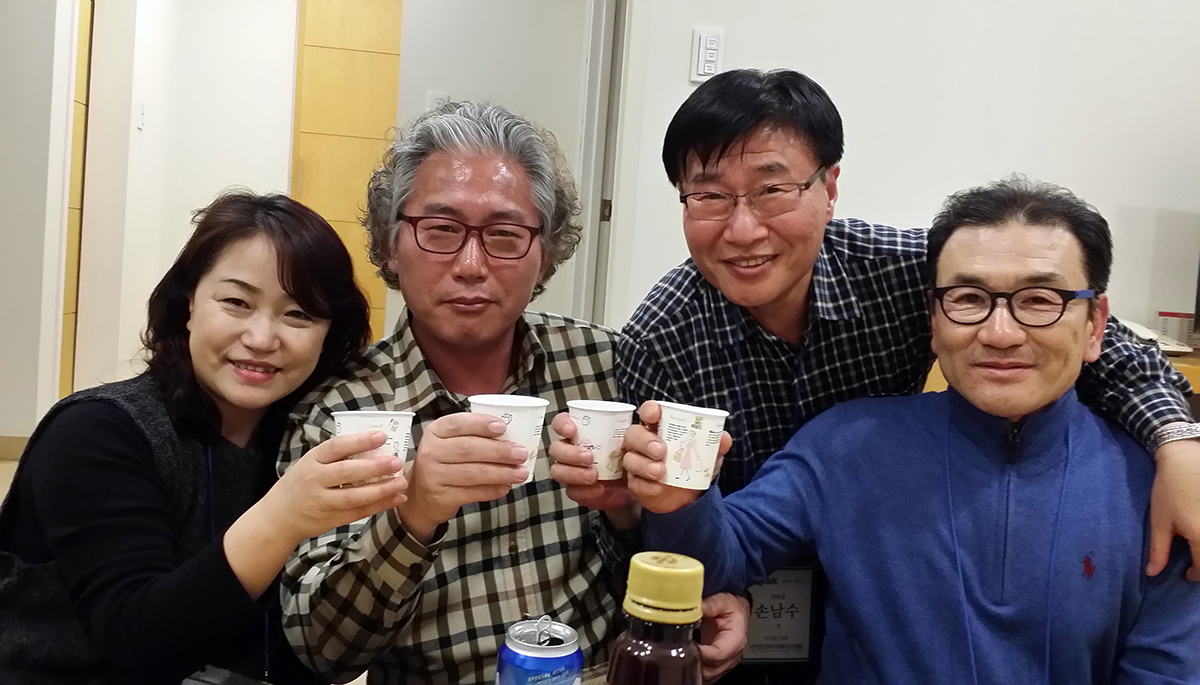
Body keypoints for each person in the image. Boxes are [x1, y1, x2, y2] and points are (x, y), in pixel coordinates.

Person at [549, 68, 1200, 684]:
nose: (1000, 330)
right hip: (761, 627)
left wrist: (1177, 443)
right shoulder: (678, 346)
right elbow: (707, 549)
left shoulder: (915, 270)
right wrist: (665, 502)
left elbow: (1118, 353)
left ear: (829, 187)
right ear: (934, 317)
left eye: (773, 189)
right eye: (711, 195)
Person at [278, 101, 746, 685]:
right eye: (441, 230)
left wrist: (630, 513)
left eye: (504, 235)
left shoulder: (606, 365)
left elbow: (671, 569)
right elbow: (322, 651)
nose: (471, 265)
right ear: (391, 244)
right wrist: (413, 514)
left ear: (545, 254)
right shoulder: (341, 413)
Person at [0, 192, 407, 684]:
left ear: (329, 334)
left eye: (299, 314)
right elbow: (140, 646)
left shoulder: (303, 436)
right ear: (188, 303)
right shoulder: (96, 432)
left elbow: (312, 646)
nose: (261, 338)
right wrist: (283, 516)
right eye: (236, 303)